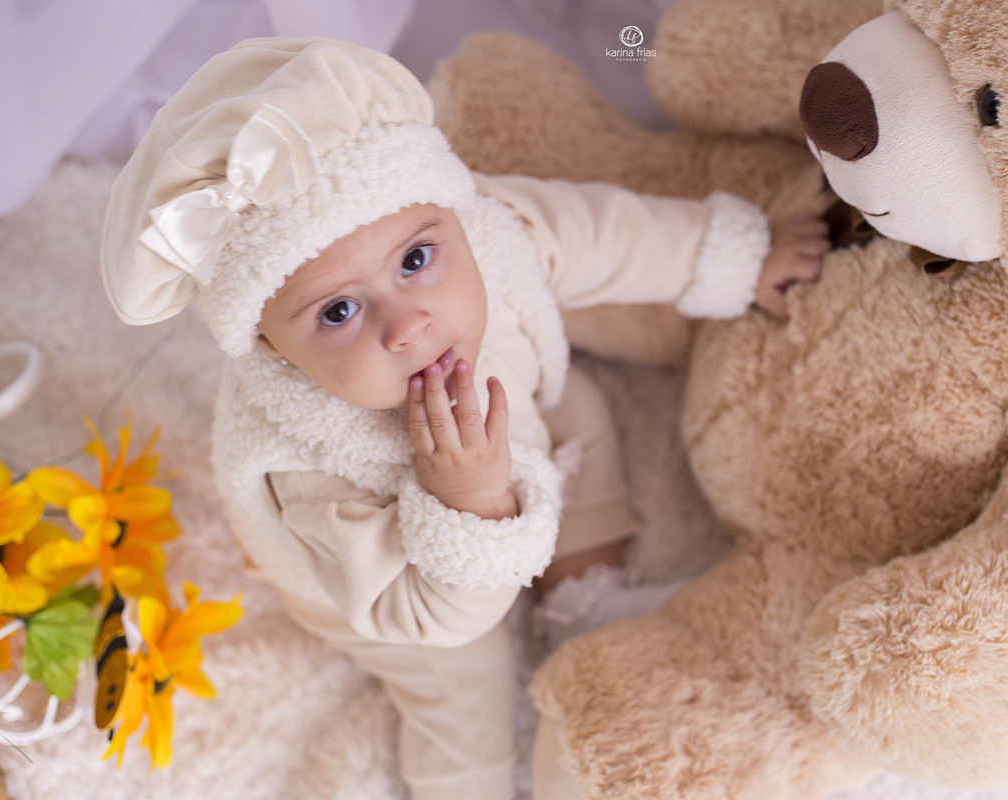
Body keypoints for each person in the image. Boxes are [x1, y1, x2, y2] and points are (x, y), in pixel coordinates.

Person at [100, 37, 829, 800]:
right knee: (463, 685)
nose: (407, 326)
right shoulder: (305, 460)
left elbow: (606, 236)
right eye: (339, 312)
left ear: (449, 212)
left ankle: (582, 593)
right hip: (400, 585)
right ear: (271, 347)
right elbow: (421, 615)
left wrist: (739, 258)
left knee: (578, 407)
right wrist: (470, 505)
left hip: (519, 431)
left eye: (416, 261)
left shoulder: (490, 230)